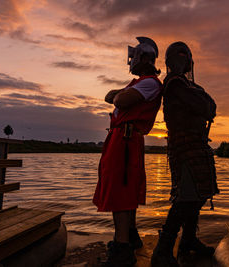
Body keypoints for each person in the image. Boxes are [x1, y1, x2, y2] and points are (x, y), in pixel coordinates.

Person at [93, 37, 162, 267]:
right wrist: (118, 95)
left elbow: (119, 99)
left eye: (134, 58)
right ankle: (130, 237)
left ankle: (122, 251)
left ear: (143, 58)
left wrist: (119, 95)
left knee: (121, 192)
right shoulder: (140, 83)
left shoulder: (150, 83)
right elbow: (110, 96)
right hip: (122, 139)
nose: (131, 62)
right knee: (123, 188)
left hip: (125, 141)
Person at [151, 42, 218, 267]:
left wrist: (205, 102)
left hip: (197, 146)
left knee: (197, 196)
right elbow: (203, 105)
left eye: (185, 57)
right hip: (184, 147)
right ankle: (162, 251)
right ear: (172, 62)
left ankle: (188, 239)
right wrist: (204, 101)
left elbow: (211, 106)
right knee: (185, 197)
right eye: (179, 57)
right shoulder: (174, 83)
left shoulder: (187, 85)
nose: (183, 61)